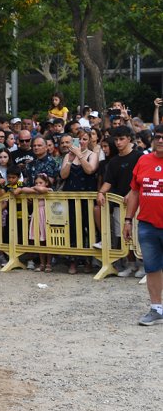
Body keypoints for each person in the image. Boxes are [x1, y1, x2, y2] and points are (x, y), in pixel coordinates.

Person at [123, 124, 163, 325]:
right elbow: (135, 193)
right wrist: (128, 220)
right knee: (152, 267)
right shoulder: (143, 160)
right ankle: (156, 308)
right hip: (147, 224)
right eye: (158, 136)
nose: (161, 140)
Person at [97, 125, 143, 276]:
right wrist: (101, 193)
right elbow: (108, 181)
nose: (118, 142)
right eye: (116, 139)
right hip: (118, 203)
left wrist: (132, 193)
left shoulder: (139, 157)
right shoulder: (114, 161)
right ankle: (130, 265)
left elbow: (140, 180)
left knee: (139, 235)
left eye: (121, 139)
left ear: (129, 139)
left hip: (137, 204)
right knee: (123, 235)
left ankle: (143, 264)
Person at [59, 131, 99, 274]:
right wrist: (70, 159)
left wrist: (80, 155)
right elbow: (63, 175)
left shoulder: (92, 155)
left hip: (87, 197)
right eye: (79, 139)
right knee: (73, 229)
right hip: (70, 197)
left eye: (84, 139)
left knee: (89, 228)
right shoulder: (67, 156)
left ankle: (88, 260)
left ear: (89, 141)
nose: (81, 142)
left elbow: (90, 170)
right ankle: (73, 261)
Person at [15, 173, 53, 272]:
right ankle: (42, 263)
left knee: (48, 240)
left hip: (46, 216)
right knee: (39, 240)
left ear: (47, 183)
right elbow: (23, 189)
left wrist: (35, 188)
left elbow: (41, 190)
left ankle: (49, 263)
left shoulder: (49, 190)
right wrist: (35, 189)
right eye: (36, 183)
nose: (38, 185)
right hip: (37, 215)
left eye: (41, 182)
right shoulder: (36, 190)